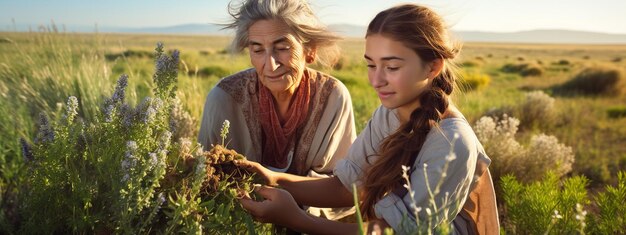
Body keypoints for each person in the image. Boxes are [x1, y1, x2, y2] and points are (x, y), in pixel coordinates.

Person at [235, 4, 500, 235]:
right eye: (371, 65)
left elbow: (399, 233)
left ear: (433, 66)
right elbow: (346, 188)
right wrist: (272, 178)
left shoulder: (452, 142)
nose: (376, 80)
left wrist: (298, 220)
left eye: (392, 67)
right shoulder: (389, 114)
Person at [197, 0, 356, 220]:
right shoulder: (224, 98)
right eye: (257, 49)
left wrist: (292, 215)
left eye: (282, 48)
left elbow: (344, 188)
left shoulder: (332, 97)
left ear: (310, 51)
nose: (270, 65)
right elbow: (202, 178)